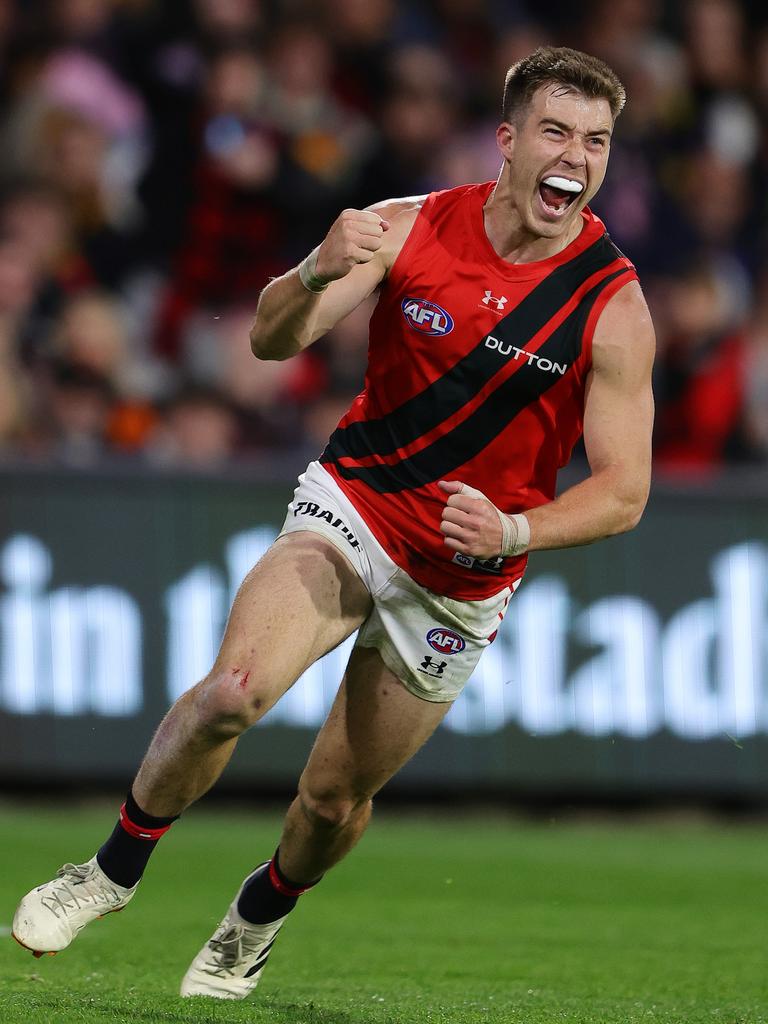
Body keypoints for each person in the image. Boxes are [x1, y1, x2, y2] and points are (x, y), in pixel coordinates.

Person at [12, 46, 655, 1000]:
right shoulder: (408, 228)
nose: (576, 156)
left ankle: (259, 914)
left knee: (331, 801)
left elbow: (625, 492)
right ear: (509, 140)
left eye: (596, 141)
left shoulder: (612, 304)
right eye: (557, 132)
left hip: (463, 577)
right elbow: (272, 341)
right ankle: (108, 872)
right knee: (232, 691)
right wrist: (315, 269)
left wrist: (516, 537)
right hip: (352, 509)